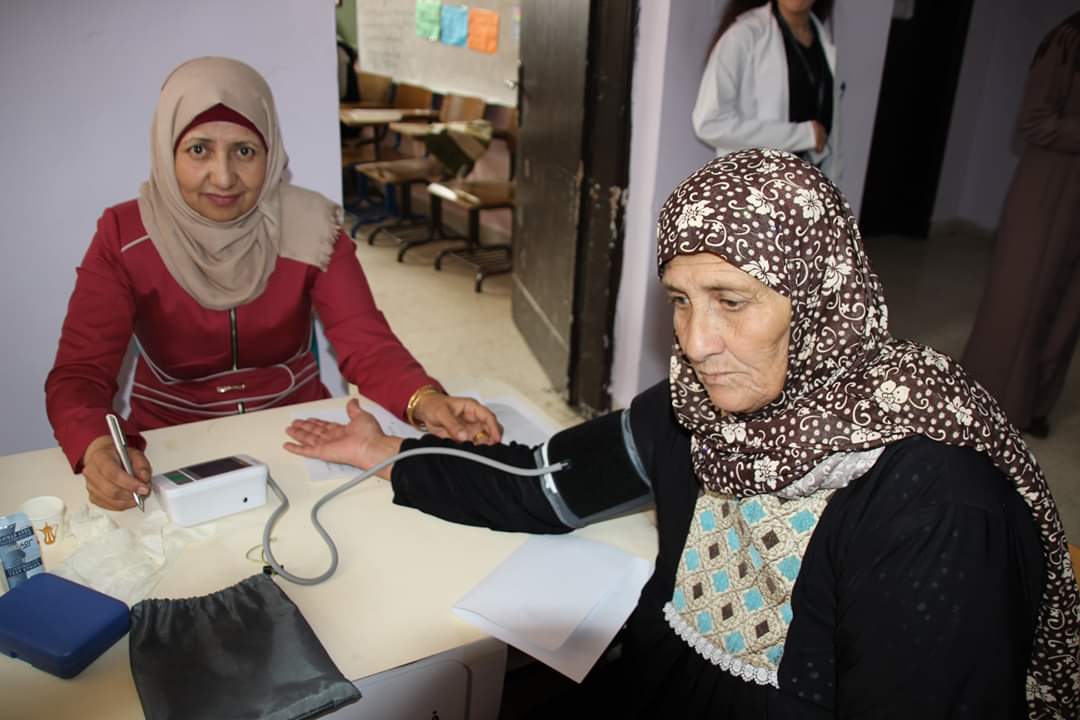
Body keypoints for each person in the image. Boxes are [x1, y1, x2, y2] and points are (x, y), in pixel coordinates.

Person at [285, 149, 1079, 718]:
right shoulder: (694, 410)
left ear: (818, 299)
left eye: (731, 301)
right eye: (680, 300)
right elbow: (543, 486)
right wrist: (388, 453)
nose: (696, 343)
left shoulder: (934, 504)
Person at [45, 57, 500, 512]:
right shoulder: (125, 236)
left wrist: (426, 400)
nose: (224, 177)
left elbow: (366, 342)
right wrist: (97, 446)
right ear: (167, 151)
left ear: (271, 151)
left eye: (244, 151)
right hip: (172, 446)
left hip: (302, 435)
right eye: (199, 149)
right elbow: (80, 372)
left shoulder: (313, 226)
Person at [961, 13, 1080, 439]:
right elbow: (1035, 120)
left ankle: (1035, 403)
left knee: (1067, 312)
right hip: (1050, 192)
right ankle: (993, 404)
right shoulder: (1068, 41)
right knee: (1025, 301)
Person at [692, 0, 842, 183]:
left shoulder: (825, 45)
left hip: (803, 192)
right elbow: (709, 123)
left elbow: (832, 140)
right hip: (749, 189)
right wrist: (802, 135)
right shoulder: (744, 35)